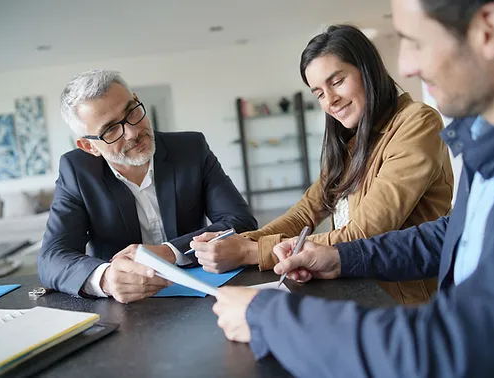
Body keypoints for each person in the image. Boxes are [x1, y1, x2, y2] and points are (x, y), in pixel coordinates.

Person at [212, 0, 494, 376]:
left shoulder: (422, 124)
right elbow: (450, 234)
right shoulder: (485, 139)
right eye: (318, 91)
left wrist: (265, 309)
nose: (407, 66)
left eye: (415, 42)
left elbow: (449, 345)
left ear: (490, 30)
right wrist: (336, 256)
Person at [191, 24, 454, 304]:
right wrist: (237, 242)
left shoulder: (417, 122)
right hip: (357, 293)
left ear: (368, 71)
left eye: (337, 81)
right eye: (318, 92)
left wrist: (249, 252)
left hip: (410, 305)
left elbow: (363, 235)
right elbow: (303, 215)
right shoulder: (351, 141)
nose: (330, 100)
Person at [38, 69, 257, 303]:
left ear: (137, 100)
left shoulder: (191, 149)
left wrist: (169, 252)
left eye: (132, 111)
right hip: (126, 308)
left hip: (203, 292)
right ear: (89, 146)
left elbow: (240, 221)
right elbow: (52, 257)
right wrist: (106, 279)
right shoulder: (77, 171)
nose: (133, 132)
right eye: (111, 129)